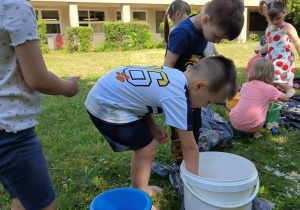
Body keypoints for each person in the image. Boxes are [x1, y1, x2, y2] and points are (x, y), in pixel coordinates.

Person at [85, 56, 238, 209]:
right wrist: (197, 187)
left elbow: (139, 96)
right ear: (199, 86)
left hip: (108, 93)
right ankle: (138, 196)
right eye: (209, 102)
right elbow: (190, 148)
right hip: (106, 104)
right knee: (147, 148)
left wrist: (151, 125)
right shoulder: (178, 98)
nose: (205, 107)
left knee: (147, 145)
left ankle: (139, 189)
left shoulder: (174, 75)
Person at [0, 1, 80, 210]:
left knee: (20, 196)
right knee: (42, 205)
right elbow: (37, 78)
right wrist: (68, 87)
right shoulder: (14, 7)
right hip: (11, 133)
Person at [163, 0, 244, 163]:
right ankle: (180, 159)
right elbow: (168, 64)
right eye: (217, 36)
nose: (217, 41)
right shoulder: (183, 33)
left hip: (195, 91)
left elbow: (200, 55)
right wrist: (174, 95)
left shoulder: (203, 29)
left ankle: (192, 150)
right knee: (180, 128)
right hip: (180, 92)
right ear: (206, 20)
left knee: (196, 123)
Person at [230, 58, 289, 139]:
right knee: (260, 114)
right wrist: (290, 91)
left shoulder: (245, 85)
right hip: (253, 126)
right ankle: (256, 134)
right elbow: (285, 98)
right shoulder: (270, 89)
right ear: (271, 75)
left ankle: (240, 130)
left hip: (234, 121)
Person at [259, 0, 300, 98]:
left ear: (284, 13)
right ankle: (276, 96)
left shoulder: (287, 27)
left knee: (275, 72)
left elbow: (296, 41)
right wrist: (260, 51)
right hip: (271, 57)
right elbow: (269, 44)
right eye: (271, 19)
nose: (275, 22)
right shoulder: (268, 30)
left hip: (284, 57)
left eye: (278, 18)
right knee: (267, 76)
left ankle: (288, 89)